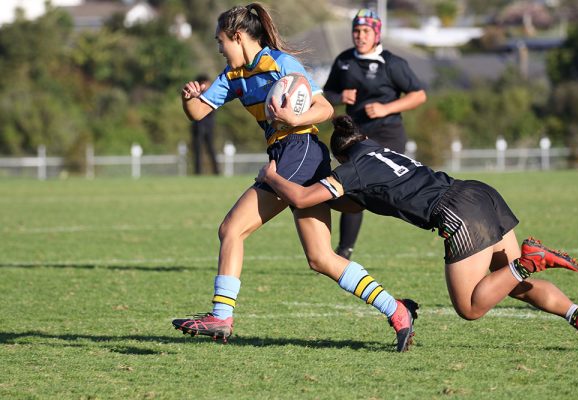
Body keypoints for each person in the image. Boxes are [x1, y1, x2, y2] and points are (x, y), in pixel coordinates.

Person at [172, 3, 419, 352]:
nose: (219, 48)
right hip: (292, 155)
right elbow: (198, 112)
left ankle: (221, 316)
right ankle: (397, 311)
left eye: (220, 41)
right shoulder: (232, 76)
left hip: (298, 150)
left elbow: (325, 109)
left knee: (232, 229)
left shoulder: (281, 64)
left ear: (238, 37)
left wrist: (290, 120)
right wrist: (188, 99)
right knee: (320, 258)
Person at [256, 115, 578, 351]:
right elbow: (356, 204)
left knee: (470, 307)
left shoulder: (352, 169)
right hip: (480, 193)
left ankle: (529, 261)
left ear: (340, 158)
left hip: (456, 213)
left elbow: (301, 197)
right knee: (509, 284)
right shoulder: (379, 151)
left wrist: (271, 176)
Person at [323, 8, 427, 260]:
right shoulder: (344, 60)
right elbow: (326, 94)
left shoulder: (392, 63)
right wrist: (340, 97)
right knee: (352, 188)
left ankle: (434, 217)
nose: (360, 35)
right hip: (354, 138)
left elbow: (418, 95)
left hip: (387, 135)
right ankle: (344, 251)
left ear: (376, 34)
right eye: (356, 31)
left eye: (365, 31)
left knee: (390, 192)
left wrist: (386, 108)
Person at [190, 75, 220, 175]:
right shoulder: (196, 96)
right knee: (197, 150)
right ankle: (197, 172)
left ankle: (216, 172)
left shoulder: (211, 95)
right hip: (198, 126)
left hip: (209, 126)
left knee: (211, 149)